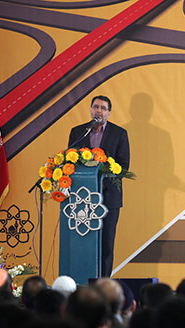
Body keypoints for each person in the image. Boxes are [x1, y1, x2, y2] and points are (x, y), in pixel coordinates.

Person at [68, 95, 130, 278]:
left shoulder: (119, 134)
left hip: (109, 198)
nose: (99, 111)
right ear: (90, 110)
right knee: (82, 242)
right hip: (81, 198)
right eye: (96, 107)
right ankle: (81, 281)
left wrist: (103, 171)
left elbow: (124, 166)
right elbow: (69, 162)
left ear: (109, 113)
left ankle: (103, 283)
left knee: (106, 245)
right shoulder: (78, 132)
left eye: (103, 108)